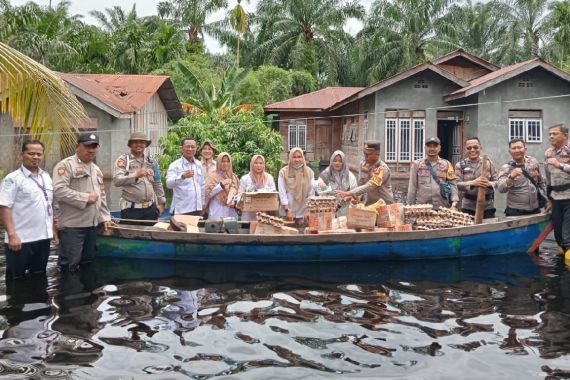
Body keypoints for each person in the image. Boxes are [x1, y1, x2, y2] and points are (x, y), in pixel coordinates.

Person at [52, 132, 112, 272]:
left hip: (92, 225)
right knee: (70, 266)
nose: (91, 150)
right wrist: (85, 198)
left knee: (88, 263)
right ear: (77, 146)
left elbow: (101, 195)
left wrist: (105, 217)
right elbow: (59, 191)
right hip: (73, 227)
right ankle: (67, 292)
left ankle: (88, 293)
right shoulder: (66, 166)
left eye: (94, 147)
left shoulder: (96, 169)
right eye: (87, 146)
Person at [0, 140, 57, 279]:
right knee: (16, 279)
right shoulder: (12, 179)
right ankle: (16, 301)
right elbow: (3, 206)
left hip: (43, 238)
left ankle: (38, 301)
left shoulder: (46, 177)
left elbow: (48, 205)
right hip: (21, 240)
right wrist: (12, 235)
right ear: (22, 154)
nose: (35, 157)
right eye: (31, 153)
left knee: (39, 276)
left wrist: (53, 228)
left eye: (39, 154)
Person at [112, 132, 166, 223]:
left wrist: (161, 203)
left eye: (142, 142)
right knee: (130, 236)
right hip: (131, 210)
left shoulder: (152, 161)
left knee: (151, 235)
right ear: (130, 144)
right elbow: (117, 181)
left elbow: (157, 182)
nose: (139, 144)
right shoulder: (124, 160)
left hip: (151, 209)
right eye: (135, 142)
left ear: (146, 145)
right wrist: (135, 175)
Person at [497, 139, 545, 217]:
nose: (517, 150)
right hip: (515, 212)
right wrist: (511, 177)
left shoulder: (533, 162)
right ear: (509, 151)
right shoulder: (506, 168)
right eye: (514, 148)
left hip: (535, 210)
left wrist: (548, 200)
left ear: (525, 149)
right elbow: (501, 189)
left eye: (519, 147)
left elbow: (541, 182)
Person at [336, 141, 394, 206]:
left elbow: (370, 185)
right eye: (364, 154)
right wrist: (357, 197)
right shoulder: (363, 165)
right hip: (371, 204)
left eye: (368, 154)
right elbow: (361, 184)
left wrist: (349, 193)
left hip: (385, 204)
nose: (366, 157)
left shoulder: (382, 168)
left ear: (377, 154)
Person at [407, 136, 458, 208]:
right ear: (425, 148)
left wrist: (454, 201)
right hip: (422, 207)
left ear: (439, 148)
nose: (432, 149)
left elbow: (453, 184)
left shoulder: (446, 164)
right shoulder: (417, 164)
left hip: (442, 206)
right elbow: (412, 186)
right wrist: (410, 205)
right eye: (429, 146)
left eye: (435, 146)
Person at [544, 124, 570, 258]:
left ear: (565, 135)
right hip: (556, 198)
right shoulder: (548, 153)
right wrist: (549, 199)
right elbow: (548, 179)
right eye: (550, 134)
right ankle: (562, 265)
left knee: (567, 235)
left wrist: (559, 165)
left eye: (555, 133)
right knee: (558, 234)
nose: (551, 136)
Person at [455, 137, 498, 218]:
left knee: (488, 228)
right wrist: (472, 183)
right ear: (465, 149)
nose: (472, 150)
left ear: (480, 147)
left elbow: (498, 182)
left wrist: (489, 184)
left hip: (487, 206)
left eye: (475, 147)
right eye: (469, 148)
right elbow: (456, 184)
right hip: (468, 206)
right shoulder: (460, 165)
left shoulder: (489, 163)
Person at [166, 137, 204, 216]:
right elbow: (168, 184)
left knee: (195, 229)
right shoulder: (175, 165)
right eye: (187, 146)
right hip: (181, 209)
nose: (190, 149)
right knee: (181, 229)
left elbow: (202, 185)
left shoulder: (198, 164)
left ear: (196, 149)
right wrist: (182, 176)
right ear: (181, 149)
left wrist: (203, 204)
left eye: (192, 147)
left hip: (197, 209)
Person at [278, 148, 315, 225]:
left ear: (303, 157)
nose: (297, 159)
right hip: (288, 210)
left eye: (299, 157)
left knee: (303, 234)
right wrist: (287, 210)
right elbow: (282, 192)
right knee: (287, 233)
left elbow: (311, 193)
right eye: (294, 157)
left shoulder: (309, 172)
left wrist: (308, 210)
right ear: (290, 157)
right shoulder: (284, 172)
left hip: (303, 210)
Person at [319, 150, 358, 216]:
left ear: (343, 162)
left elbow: (355, 192)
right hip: (329, 209)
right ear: (331, 161)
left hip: (345, 209)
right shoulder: (325, 174)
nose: (337, 163)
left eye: (340, 161)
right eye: (335, 161)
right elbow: (319, 191)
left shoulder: (349, 176)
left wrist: (349, 196)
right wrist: (328, 190)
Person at [238, 154, 277, 221]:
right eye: (256, 163)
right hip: (248, 214)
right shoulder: (245, 178)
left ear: (264, 165)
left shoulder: (269, 178)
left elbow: (274, 193)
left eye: (261, 163)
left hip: (265, 215)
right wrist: (242, 201)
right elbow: (239, 194)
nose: (258, 165)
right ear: (252, 164)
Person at [204, 153, 240, 219]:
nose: (225, 163)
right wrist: (221, 185)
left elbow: (238, 194)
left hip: (231, 212)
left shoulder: (234, 177)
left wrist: (234, 202)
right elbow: (207, 193)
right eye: (223, 161)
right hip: (217, 210)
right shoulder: (212, 176)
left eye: (227, 161)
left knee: (231, 228)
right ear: (218, 162)